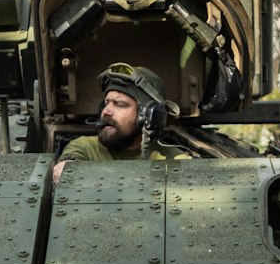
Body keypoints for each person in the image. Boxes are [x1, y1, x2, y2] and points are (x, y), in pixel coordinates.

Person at [51, 63, 185, 181]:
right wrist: (68, 167)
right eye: (105, 103)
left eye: (119, 104)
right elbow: (67, 169)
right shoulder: (85, 148)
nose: (106, 111)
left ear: (148, 115)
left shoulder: (175, 160)